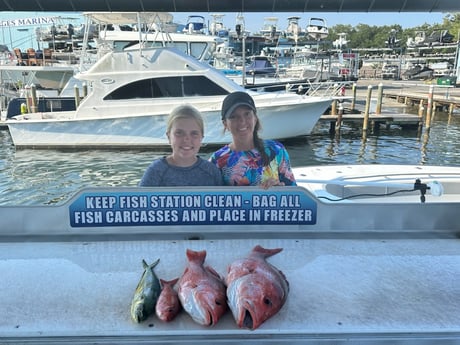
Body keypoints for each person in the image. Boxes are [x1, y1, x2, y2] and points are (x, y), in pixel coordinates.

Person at [210, 91, 297, 189]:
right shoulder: (217, 159)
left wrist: (280, 190)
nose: (242, 121)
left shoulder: (277, 150)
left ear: (255, 117)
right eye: (233, 116)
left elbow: (294, 194)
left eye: (247, 114)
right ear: (225, 124)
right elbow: (212, 200)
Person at [139, 104, 223, 186]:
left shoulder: (211, 172)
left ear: (202, 138)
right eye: (179, 133)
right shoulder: (156, 171)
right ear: (169, 137)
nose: (186, 139)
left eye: (194, 133)